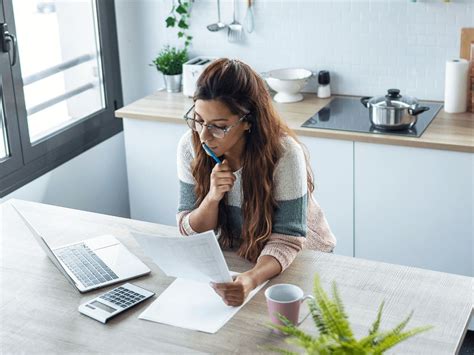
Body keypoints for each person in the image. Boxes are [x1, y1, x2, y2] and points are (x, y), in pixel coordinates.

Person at [176, 58, 336, 306]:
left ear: (248, 122)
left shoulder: (284, 154)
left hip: (300, 258)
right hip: (241, 255)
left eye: (219, 127)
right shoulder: (190, 145)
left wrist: (251, 280)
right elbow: (189, 229)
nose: (204, 135)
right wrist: (212, 198)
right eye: (198, 120)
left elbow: (286, 240)